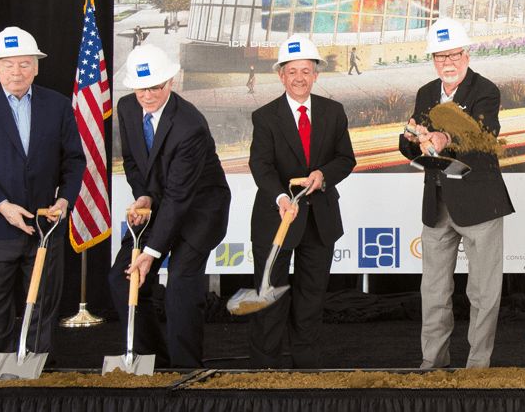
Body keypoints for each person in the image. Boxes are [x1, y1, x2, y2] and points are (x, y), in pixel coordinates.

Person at [0, 27, 84, 369]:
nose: (17, 72)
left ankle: (37, 373)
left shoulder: (57, 105)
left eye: (25, 64)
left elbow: (74, 159)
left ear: (36, 67)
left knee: (42, 304)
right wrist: (3, 206)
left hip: (45, 226)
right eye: (9, 64)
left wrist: (65, 201)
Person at [401, 18, 515, 369]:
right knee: (433, 292)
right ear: (433, 59)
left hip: (479, 204)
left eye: (454, 54)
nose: (448, 62)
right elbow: (412, 150)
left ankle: (477, 367)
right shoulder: (424, 93)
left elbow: (482, 136)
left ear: (467, 54)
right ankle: (431, 362)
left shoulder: (485, 90)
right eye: (440, 56)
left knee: (483, 293)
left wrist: (444, 138)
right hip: (437, 205)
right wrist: (410, 139)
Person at [108, 44, 231, 370]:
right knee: (123, 280)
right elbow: (133, 161)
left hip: (201, 209)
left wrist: (150, 252)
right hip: (161, 202)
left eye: (155, 87)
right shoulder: (127, 107)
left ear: (170, 82)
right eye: (141, 88)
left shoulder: (190, 125)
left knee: (179, 285)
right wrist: (145, 195)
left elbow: (180, 197)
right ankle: (153, 363)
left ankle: (184, 371)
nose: (147, 96)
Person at [246, 36, 357, 369]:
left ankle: (306, 367)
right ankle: (266, 369)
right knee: (270, 297)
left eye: (306, 71)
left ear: (316, 74)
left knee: (310, 298)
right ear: (281, 75)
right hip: (277, 220)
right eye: (292, 71)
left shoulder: (333, 112)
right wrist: (281, 197)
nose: (299, 78)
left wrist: (323, 175)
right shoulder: (265, 117)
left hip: (319, 221)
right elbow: (260, 165)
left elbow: (345, 159)